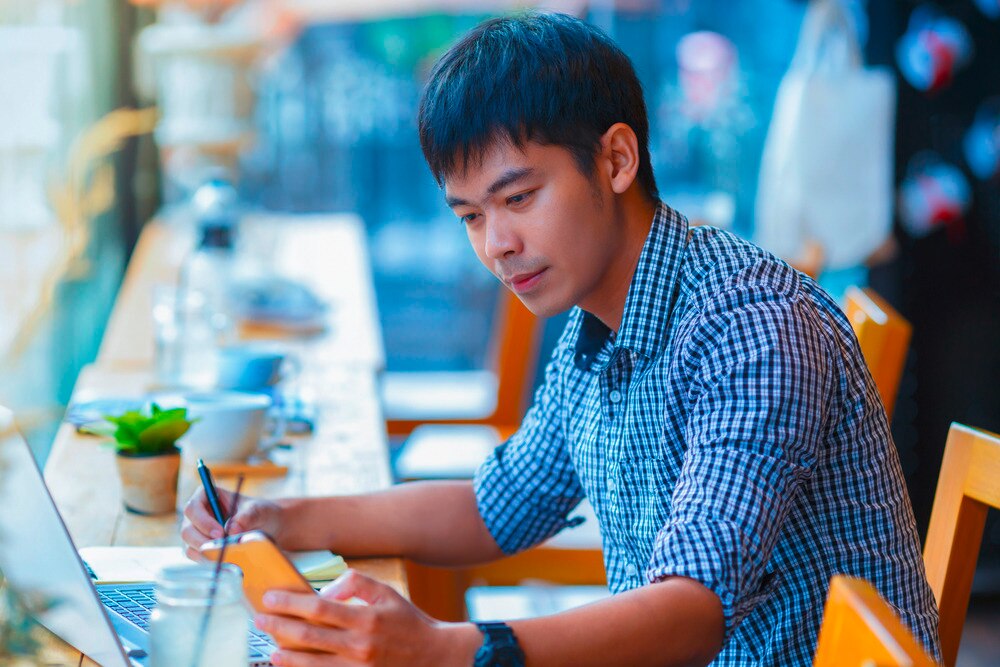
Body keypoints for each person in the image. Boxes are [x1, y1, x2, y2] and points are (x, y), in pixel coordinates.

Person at [182, 12, 940, 667]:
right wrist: (284, 518)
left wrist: (449, 647)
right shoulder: (596, 322)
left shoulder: (751, 323)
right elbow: (492, 507)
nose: (497, 245)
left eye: (519, 197)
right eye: (471, 216)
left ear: (616, 159)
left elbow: (692, 610)